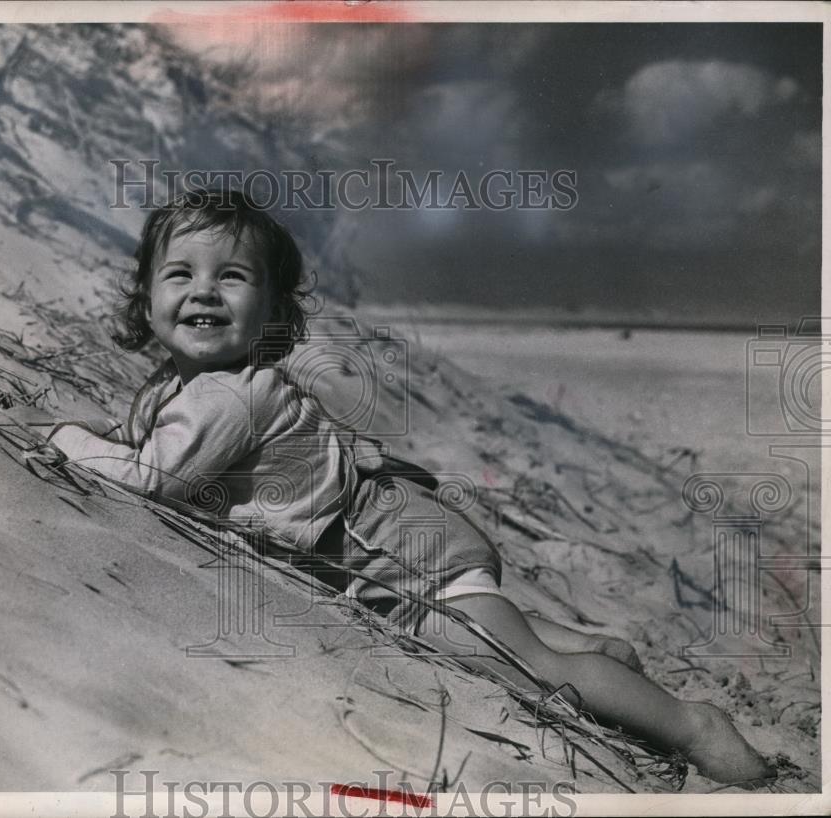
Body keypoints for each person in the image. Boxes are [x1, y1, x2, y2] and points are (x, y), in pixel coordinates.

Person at [46, 189, 773, 787]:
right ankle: (596, 647)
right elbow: (154, 443)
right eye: (182, 275)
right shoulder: (179, 386)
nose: (204, 291)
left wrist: (66, 442)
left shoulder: (227, 397)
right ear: (145, 301)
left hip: (404, 559)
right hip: (403, 537)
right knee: (509, 628)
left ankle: (693, 725)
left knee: (527, 668)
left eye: (232, 277)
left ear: (271, 314)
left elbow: (156, 480)